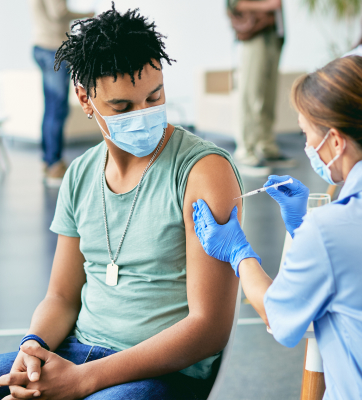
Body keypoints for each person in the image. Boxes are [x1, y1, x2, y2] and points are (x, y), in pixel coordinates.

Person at [192, 56, 362, 399]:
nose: (308, 146)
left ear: (336, 142)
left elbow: (278, 318)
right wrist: (304, 230)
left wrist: (238, 251)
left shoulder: (330, 231)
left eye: (308, 134)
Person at [0, 5, 241, 399]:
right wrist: (34, 346)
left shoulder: (203, 171)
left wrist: (84, 380)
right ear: (84, 98)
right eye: (122, 107)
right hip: (78, 352)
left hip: (160, 369)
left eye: (154, 96)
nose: (144, 115)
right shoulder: (79, 174)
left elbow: (209, 327)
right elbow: (61, 296)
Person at [228, 0, 296, 177]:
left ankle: (266, 147)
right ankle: (245, 152)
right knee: (250, 95)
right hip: (254, 35)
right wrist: (268, 6)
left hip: (273, 34)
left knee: (268, 96)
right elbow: (234, 4)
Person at [30, 0, 94, 186]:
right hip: (53, 48)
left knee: (51, 108)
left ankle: (48, 160)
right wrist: (88, 15)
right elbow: (58, 12)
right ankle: (54, 165)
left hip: (41, 45)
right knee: (57, 109)